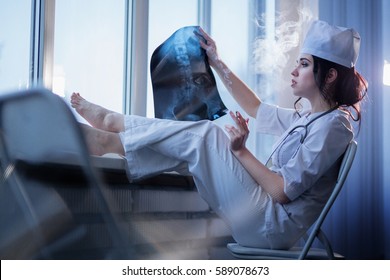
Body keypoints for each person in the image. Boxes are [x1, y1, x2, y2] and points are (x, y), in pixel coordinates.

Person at [70, 20, 367, 249]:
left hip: (271, 225)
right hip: (263, 214)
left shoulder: (334, 126)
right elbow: (255, 107)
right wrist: (216, 61)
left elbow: (282, 191)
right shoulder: (308, 118)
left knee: (209, 137)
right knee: (201, 142)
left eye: (304, 64)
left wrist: (240, 151)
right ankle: (112, 138)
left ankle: (112, 128)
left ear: (329, 76)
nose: (294, 70)